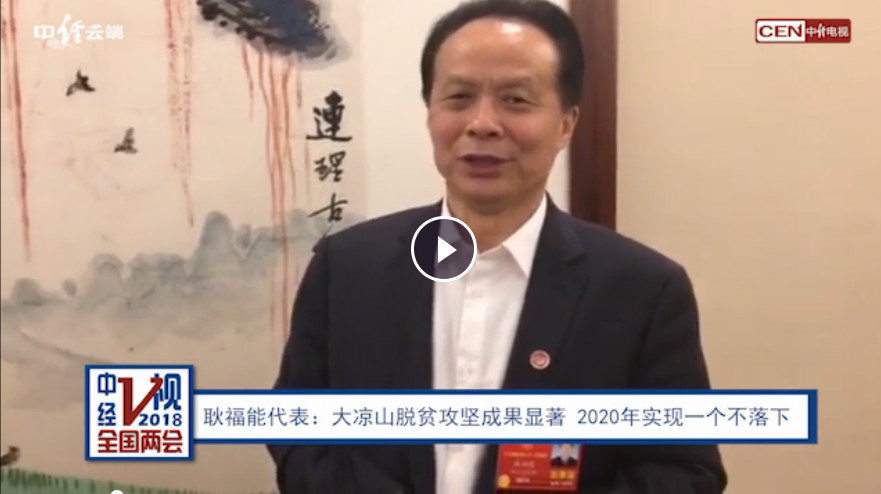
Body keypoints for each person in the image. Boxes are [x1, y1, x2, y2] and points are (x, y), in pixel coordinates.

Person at [267, 0, 727, 493]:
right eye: (459, 97)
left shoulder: (642, 291)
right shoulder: (347, 268)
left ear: (566, 124)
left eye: (515, 100)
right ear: (430, 113)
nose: (482, 123)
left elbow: (684, 471)